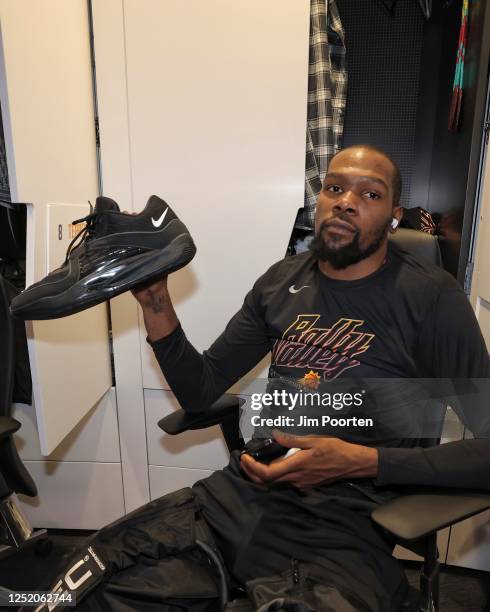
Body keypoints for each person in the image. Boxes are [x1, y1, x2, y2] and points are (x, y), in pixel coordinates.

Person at [37, 145, 489, 612]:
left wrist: (363, 461)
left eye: (369, 194)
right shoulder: (281, 281)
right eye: (334, 187)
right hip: (240, 497)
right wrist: (154, 299)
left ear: (394, 218)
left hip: (342, 527)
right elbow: (201, 389)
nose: (346, 201)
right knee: (78, 591)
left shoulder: (431, 299)